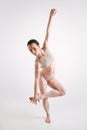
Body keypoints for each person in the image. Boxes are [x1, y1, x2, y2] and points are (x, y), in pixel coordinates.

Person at [27, 9, 66, 123]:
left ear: (38, 46)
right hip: (43, 78)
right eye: (30, 50)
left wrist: (51, 16)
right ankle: (48, 115)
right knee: (45, 98)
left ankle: (41, 96)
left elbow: (48, 31)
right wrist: (34, 95)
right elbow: (35, 79)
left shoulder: (45, 47)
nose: (33, 51)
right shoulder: (37, 62)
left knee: (63, 92)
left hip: (52, 78)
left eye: (34, 48)